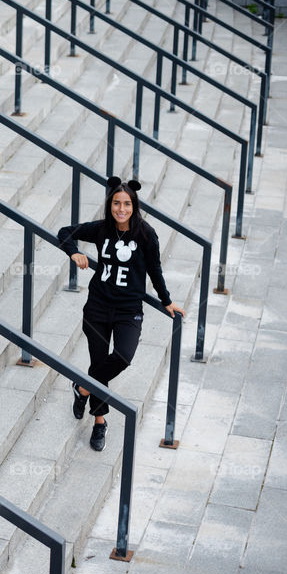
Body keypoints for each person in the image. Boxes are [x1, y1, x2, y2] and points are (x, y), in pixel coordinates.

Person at [57, 177, 184, 451]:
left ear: (134, 205)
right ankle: (100, 422)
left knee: (123, 356)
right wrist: (74, 253)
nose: (121, 209)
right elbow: (65, 232)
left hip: (128, 311)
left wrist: (166, 300)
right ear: (110, 205)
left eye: (127, 204)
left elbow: (155, 269)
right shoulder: (101, 229)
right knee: (99, 360)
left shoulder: (147, 235)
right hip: (98, 306)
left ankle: (82, 388)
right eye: (116, 203)